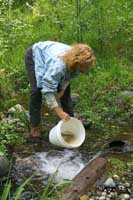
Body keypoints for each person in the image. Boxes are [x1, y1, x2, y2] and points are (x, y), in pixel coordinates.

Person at [25, 41, 95, 137]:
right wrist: (58, 111)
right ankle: (35, 126)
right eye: (83, 67)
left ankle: (69, 123)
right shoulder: (59, 66)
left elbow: (68, 77)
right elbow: (47, 89)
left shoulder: (79, 65)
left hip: (54, 57)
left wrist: (61, 90)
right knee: (36, 91)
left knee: (65, 94)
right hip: (36, 55)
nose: (84, 70)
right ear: (76, 62)